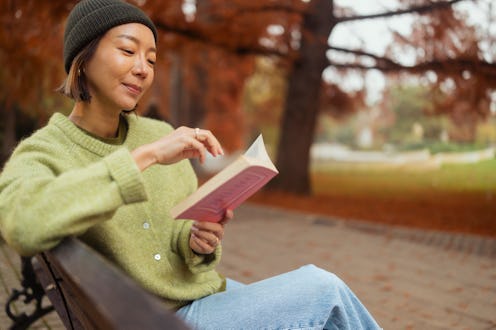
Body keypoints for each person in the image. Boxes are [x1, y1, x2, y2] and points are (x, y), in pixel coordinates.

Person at [0, 0, 381, 329]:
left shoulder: (158, 131)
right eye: (127, 50)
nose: (143, 68)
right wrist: (145, 157)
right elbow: (20, 223)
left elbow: (173, 241)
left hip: (203, 298)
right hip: (164, 319)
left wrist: (196, 241)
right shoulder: (47, 150)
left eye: (151, 58)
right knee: (322, 290)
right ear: (82, 59)